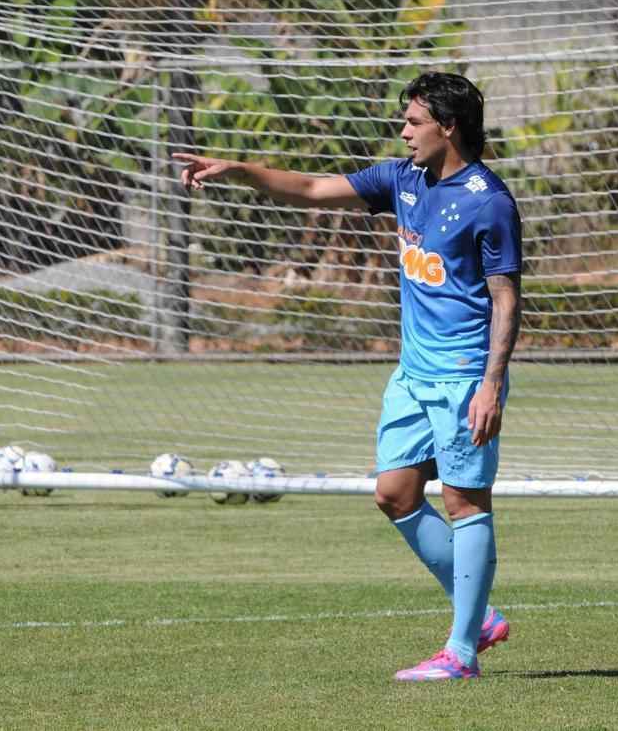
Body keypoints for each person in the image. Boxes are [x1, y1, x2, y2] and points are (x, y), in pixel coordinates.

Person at [174, 72, 522, 682]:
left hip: (466, 376)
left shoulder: (488, 200)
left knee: (465, 503)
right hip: (412, 376)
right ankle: (482, 617)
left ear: (449, 126)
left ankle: (461, 652)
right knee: (394, 493)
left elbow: (506, 299)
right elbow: (310, 188)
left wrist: (492, 383)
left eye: (414, 122)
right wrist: (238, 169)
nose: (404, 132)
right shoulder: (401, 180)